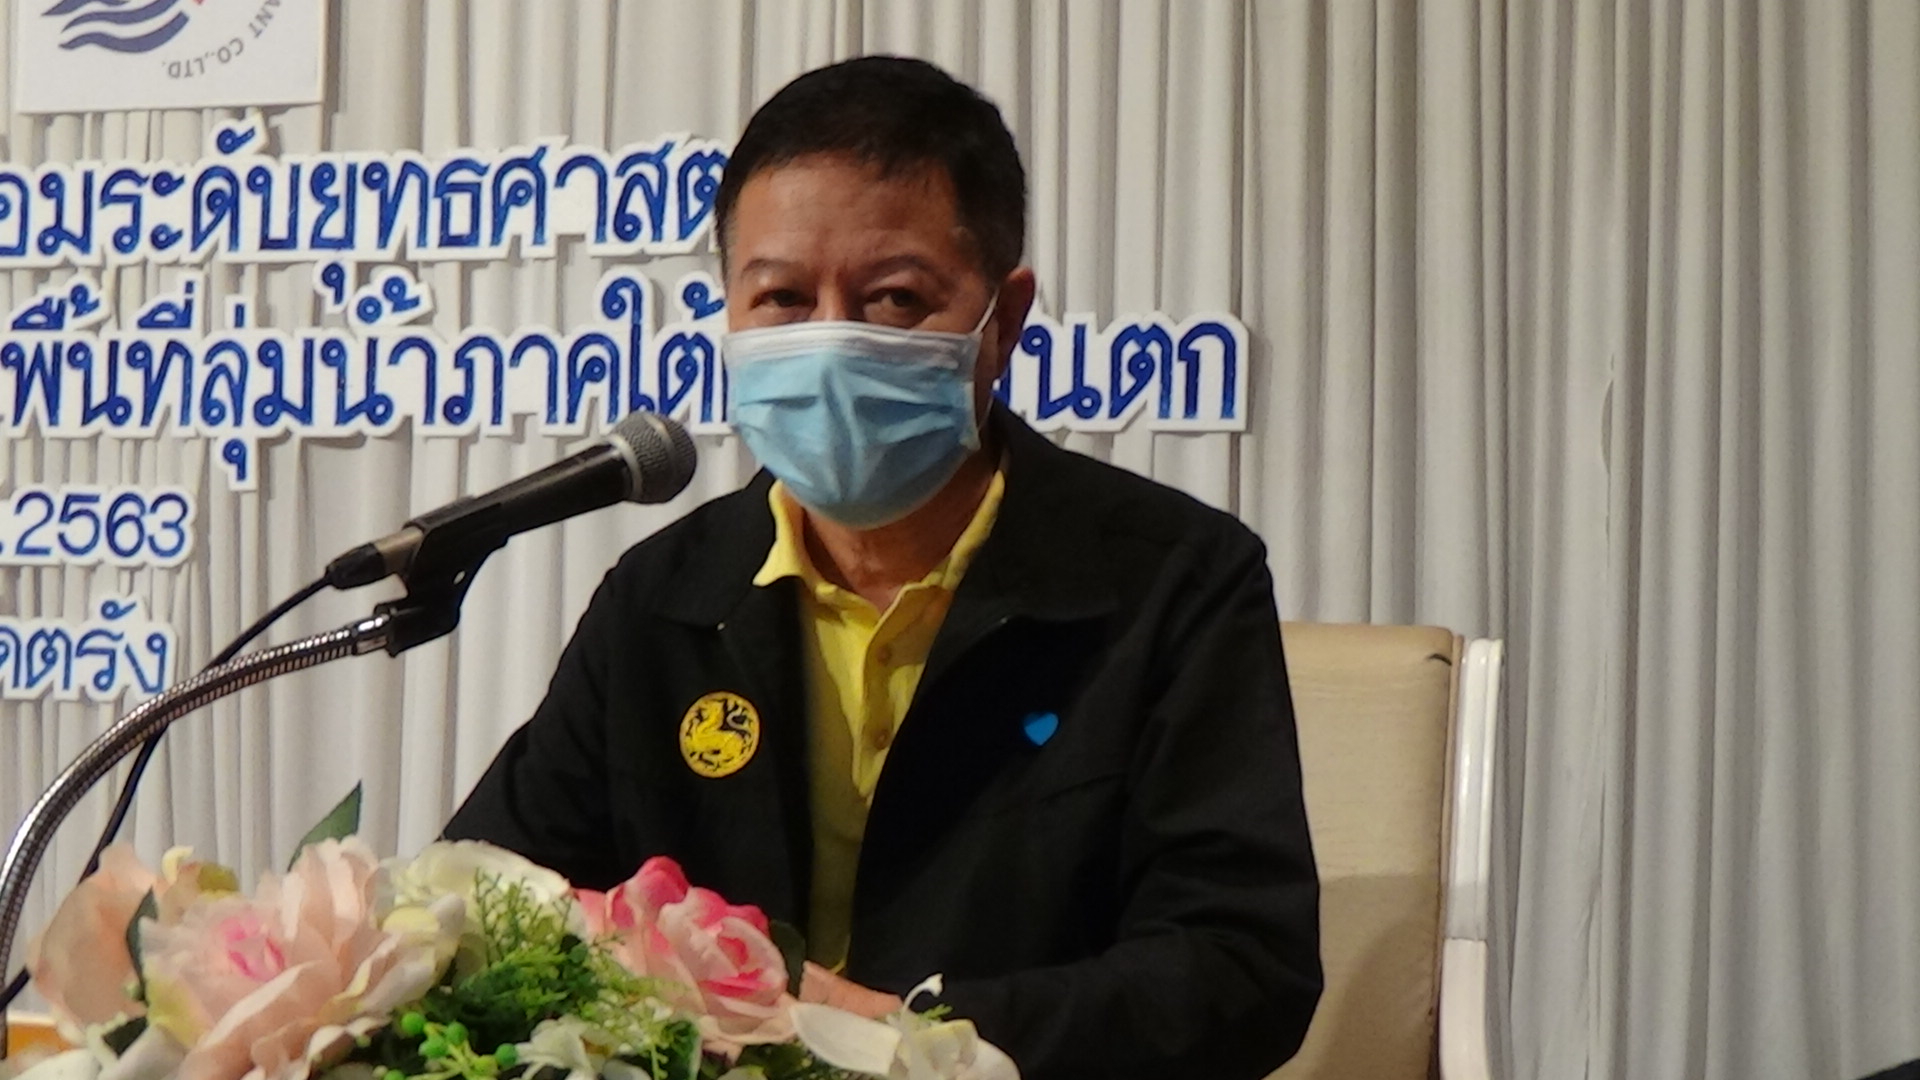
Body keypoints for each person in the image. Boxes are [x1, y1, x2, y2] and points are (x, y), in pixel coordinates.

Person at [445, 55, 1321, 1079]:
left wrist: (909, 1034)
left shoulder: (1172, 583)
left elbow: (1239, 968)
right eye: (781, 297)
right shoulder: (664, 598)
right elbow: (494, 904)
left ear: (1004, 321)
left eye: (895, 298)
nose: (831, 342)